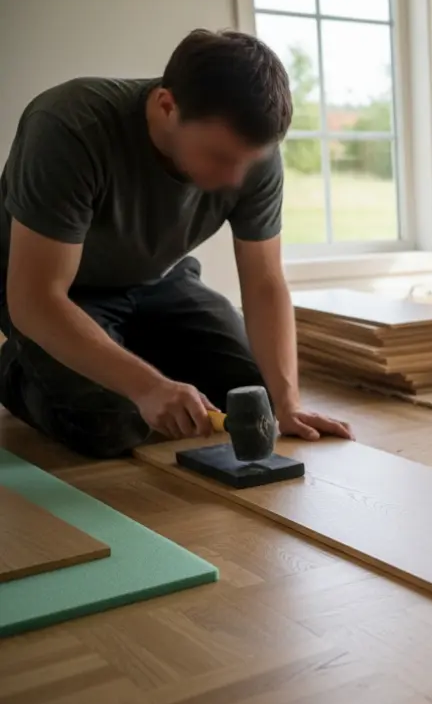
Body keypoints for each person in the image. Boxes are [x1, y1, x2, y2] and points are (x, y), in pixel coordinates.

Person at [0, 28, 352, 458]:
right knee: (114, 420)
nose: (235, 180)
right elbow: (35, 298)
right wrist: (147, 386)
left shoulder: (251, 155)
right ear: (167, 106)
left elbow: (264, 281)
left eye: (248, 163)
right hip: (61, 294)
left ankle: (129, 357)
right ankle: (18, 371)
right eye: (220, 158)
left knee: (250, 399)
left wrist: (288, 402)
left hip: (160, 282)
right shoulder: (70, 128)